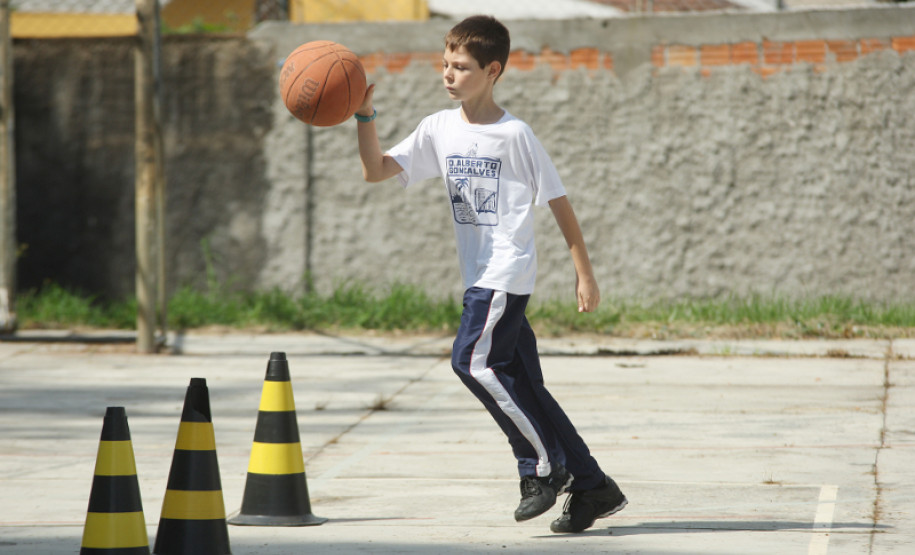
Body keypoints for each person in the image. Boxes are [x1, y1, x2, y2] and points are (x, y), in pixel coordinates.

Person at [353, 15, 626, 533]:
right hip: (479, 273)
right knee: (527, 387)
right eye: (445, 63)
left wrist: (584, 273)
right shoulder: (439, 128)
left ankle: (541, 468)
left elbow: (559, 203)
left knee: (472, 362)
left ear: (492, 70)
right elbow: (376, 170)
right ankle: (594, 486)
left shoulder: (514, 134)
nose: (448, 74)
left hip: (505, 271)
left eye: (461, 66)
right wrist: (365, 116)